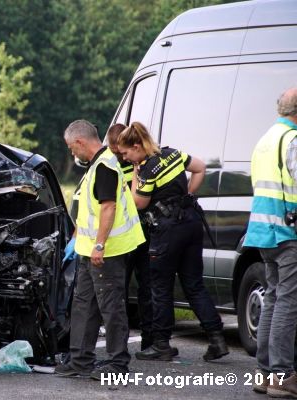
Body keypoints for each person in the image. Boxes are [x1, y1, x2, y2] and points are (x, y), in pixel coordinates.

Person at [116, 121, 227, 362]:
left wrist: (135, 175)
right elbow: (200, 167)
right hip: (191, 221)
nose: (125, 158)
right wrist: (187, 194)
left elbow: (138, 203)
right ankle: (217, 339)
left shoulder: (146, 168)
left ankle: (161, 344)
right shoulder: (172, 153)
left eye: (126, 153)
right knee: (194, 284)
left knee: (160, 287)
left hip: (167, 230)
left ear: (136, 146)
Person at [56, 120, 145, 379]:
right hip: (88, 250)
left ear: (81, 142)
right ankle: (80, 360)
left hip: (107, 251)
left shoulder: (105, 166)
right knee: (84, 304)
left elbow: (109, 208)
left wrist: (99, 245)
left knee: (111, 307)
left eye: (72, 148)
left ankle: (118, 365)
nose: (73, 153)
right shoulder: (98, 164)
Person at [244, 87, 297, 396]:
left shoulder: (265, 139)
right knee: (287, 302)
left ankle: (264, 373)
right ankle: (282, 375)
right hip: (287, 232)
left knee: (274, 298)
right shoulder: (292, 140)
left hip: (264, 232)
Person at [106, 123, 156, 352]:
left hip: (130, 235)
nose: (120, 157)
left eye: (121, 152)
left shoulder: (117, 168)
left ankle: (128, 341)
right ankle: (145, 340)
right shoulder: (136, 165)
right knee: (142, 288)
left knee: (126, 289)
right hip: (139, 233)